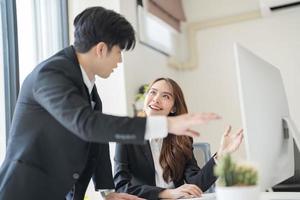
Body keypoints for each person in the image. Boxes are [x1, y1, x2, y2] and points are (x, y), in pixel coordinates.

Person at [0, 7, 221, 200]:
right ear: (101, 49)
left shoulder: (88, 86)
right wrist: (167, 125)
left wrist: (106, 191)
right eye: (119, 51)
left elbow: (97, 143)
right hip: (25, 191)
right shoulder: (51, 74)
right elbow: (88, 125)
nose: (119, 60)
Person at [114, 78, 243, 199]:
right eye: (153, 92)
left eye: (165, 96)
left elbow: (196, 185)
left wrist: (221, 154)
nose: (156, 99)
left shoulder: (181, 139)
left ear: (174, 108)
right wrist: (166, 193)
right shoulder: (127, 134)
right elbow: (121, 187)